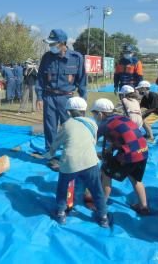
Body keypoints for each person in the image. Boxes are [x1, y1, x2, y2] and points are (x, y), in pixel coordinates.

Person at [45, 97, 108, 227]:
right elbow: (93, 141)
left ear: (68, 112)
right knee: (97, 189)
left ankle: (61, 213)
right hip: (90, 162)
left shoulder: (66, 125)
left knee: (62, 188)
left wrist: (48, 155)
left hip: (70, 163)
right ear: (84, 110)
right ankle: (103, 217)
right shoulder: (92, 123)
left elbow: (55, 144)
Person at [36, 29, 86, 169]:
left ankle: (69, 154)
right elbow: (40, 78)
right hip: (49, 97)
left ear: (62, 43)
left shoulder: (77, 58)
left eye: (53, 43)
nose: (50, 46)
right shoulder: (47, 57)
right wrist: (39, 96)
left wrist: (83, 100)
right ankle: (52, 156)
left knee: (70, 128)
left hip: (67, 98)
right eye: (49, 43)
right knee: (50, 127)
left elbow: (82, 81)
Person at [90, 98, 150, 215]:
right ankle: (143, 206)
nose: (94, 117)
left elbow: (91, 140)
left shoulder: (104, 124)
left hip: (129, 154)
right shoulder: (120, 118)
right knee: (135, 178)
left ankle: (101, 205)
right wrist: (109, 150)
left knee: (105, 172)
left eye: (94, 114)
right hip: (143, 151)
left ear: (101, 114)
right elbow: (120, 137)